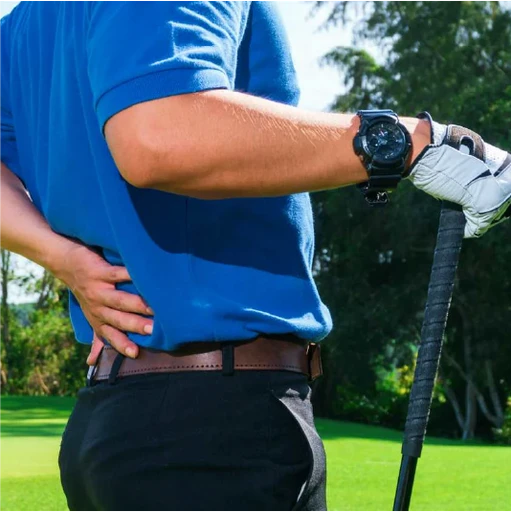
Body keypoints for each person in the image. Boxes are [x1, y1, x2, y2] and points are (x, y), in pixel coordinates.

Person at [0, 0, 509, 511]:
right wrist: (406, 144)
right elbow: (157, 135)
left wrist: (59, 255)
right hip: (210, 431)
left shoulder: (30, 19)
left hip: (120, 426)